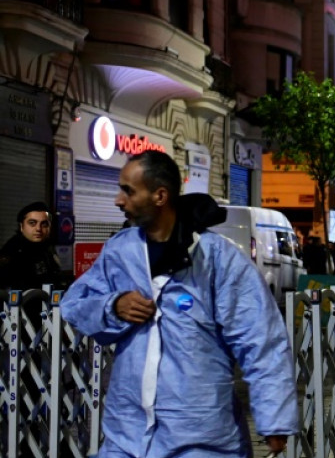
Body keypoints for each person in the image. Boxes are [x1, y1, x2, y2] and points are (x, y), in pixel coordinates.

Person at [60, 151, 298, 456]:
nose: (118, 200)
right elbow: (75, 303)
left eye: (128, 191)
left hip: (200, 436)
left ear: (160, 196)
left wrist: (273, 419)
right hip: (127, 432)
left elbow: (260, 339)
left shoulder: (216, 258)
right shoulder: (120, 251)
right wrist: (113, 305)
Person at [0, 201, 66, 291]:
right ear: (21, 226)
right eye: (32, 223)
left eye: (44, 224)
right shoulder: (13, 250)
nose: (38, 229)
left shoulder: (47, 248)